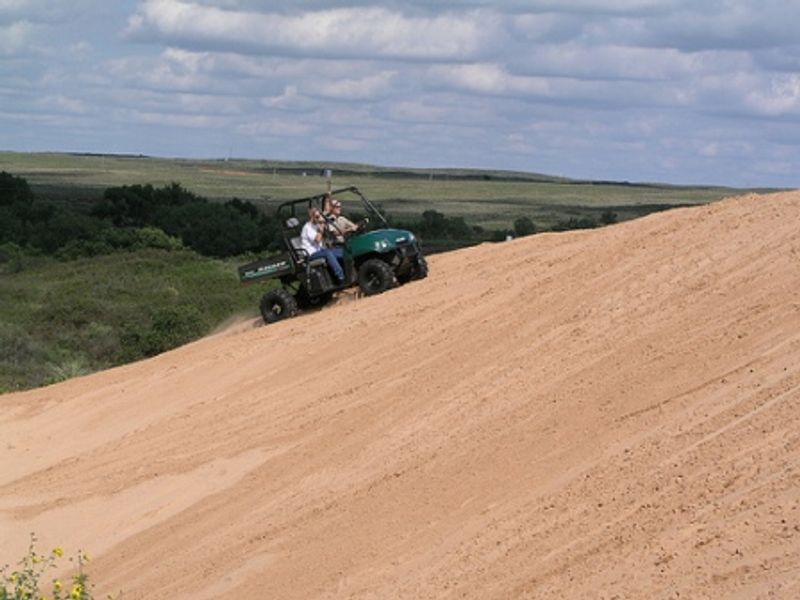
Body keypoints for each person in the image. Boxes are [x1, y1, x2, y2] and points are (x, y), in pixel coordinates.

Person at [301, 206, 345, 283]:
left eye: (319, 216)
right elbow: (318, 239)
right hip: (311, 254)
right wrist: (321, 227)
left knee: (340, 251)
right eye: (317, 217)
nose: (319, 218)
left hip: (320, 250)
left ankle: (349, 270)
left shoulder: (316, 224)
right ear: (312, 217)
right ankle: (341, 277)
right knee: (328, 253)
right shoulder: (307, 228)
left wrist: (325, 223)